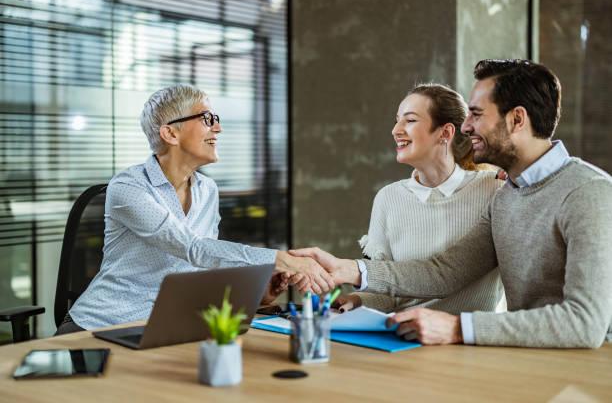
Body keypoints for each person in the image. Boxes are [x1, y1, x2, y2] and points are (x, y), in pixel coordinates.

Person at [292, 59, 612, 348]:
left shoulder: (589, 192)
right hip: (527, 360)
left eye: (476, 114)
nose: (466, 126)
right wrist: (348, 269)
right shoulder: (508, 194)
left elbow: (584, 323)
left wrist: (458, 328)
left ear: (517, 119)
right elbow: (445, 272)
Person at [57, 85, 332, 334]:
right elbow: (193, 248)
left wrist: (258, 293)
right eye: (206, 119)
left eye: (216, 119)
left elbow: (203, 265)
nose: (217, 129)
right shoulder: (129, 186)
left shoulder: (207, 190)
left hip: (168, 325)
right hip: (102, 327)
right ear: (170, 133)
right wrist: (283, 260)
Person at [336, 84, 504, 315]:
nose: (396, 130)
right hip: (403, 339)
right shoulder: (388, 198)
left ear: (445, 133)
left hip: (468, 342)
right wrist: (356, 301)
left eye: (410, 120)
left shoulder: (494, 189)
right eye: (397, 120)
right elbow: (389, 294)